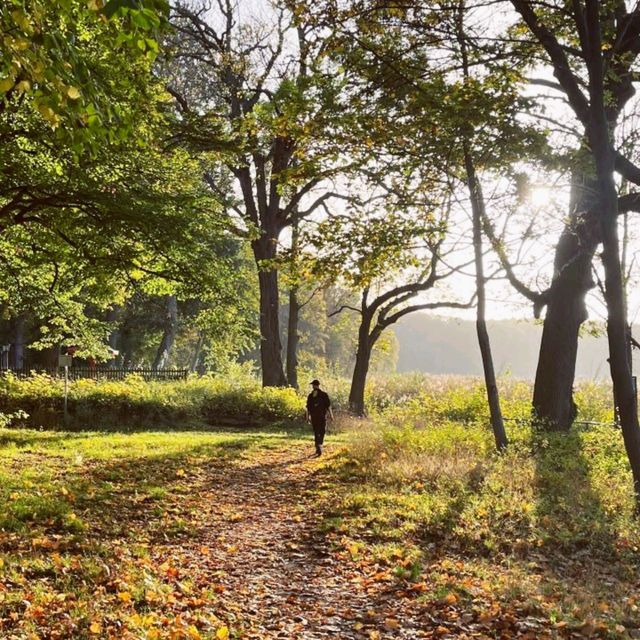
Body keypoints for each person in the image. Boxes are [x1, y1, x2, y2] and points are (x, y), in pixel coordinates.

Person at [306, 379, 333, 456]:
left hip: (314, 417)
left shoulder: (310, 396)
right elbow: (328, 406)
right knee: (322, 431)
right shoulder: (324, 395)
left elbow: (308, 408)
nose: (312, 386)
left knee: (316, 431)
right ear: (318, 385)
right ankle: (319, 444)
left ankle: (318, 446)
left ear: (314, 386)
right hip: (322, 416)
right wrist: (331, 416)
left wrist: (307, 418)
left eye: (313, 385)